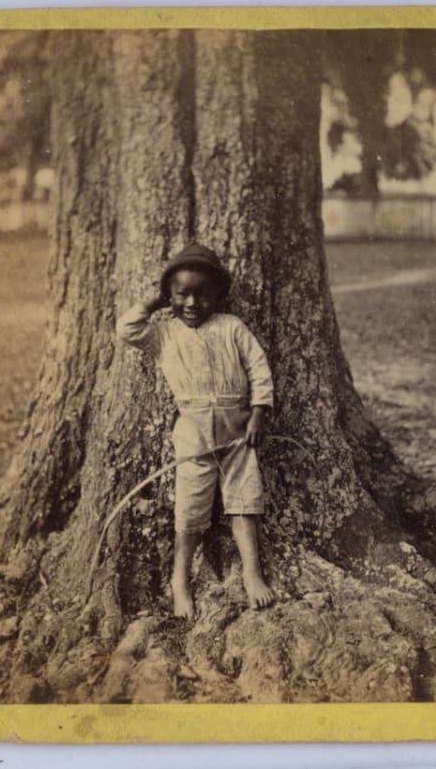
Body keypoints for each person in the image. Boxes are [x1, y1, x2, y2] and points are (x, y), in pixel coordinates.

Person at [116, 243, 276, 619]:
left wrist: (258, 415)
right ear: (169, 296)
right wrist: (156, 302)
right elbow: (126, 330)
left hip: (238, 431)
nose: (192, 302)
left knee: (245, 498)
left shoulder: (231, 327)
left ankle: (252, 572)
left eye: (202, 294)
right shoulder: (164, 334)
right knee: (190, 509)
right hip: (193, 433)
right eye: (181, 294)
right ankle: (180, 578)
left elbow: (258, 369)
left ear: (218, 295)